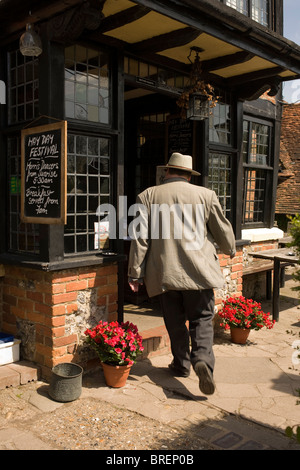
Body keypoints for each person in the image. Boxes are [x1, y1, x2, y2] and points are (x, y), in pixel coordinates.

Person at [128, 152, 236, 395]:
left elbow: (140, 239)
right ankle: (202, 360)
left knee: (175, 322)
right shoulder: (206, 195)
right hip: (199, 273)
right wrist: (230, 248)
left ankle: (181, 364)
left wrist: (135, 273)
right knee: (202, 319)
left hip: (165, 274)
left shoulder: (148, 196)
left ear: (167, 171)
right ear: (189, 175)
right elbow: (221, 228)